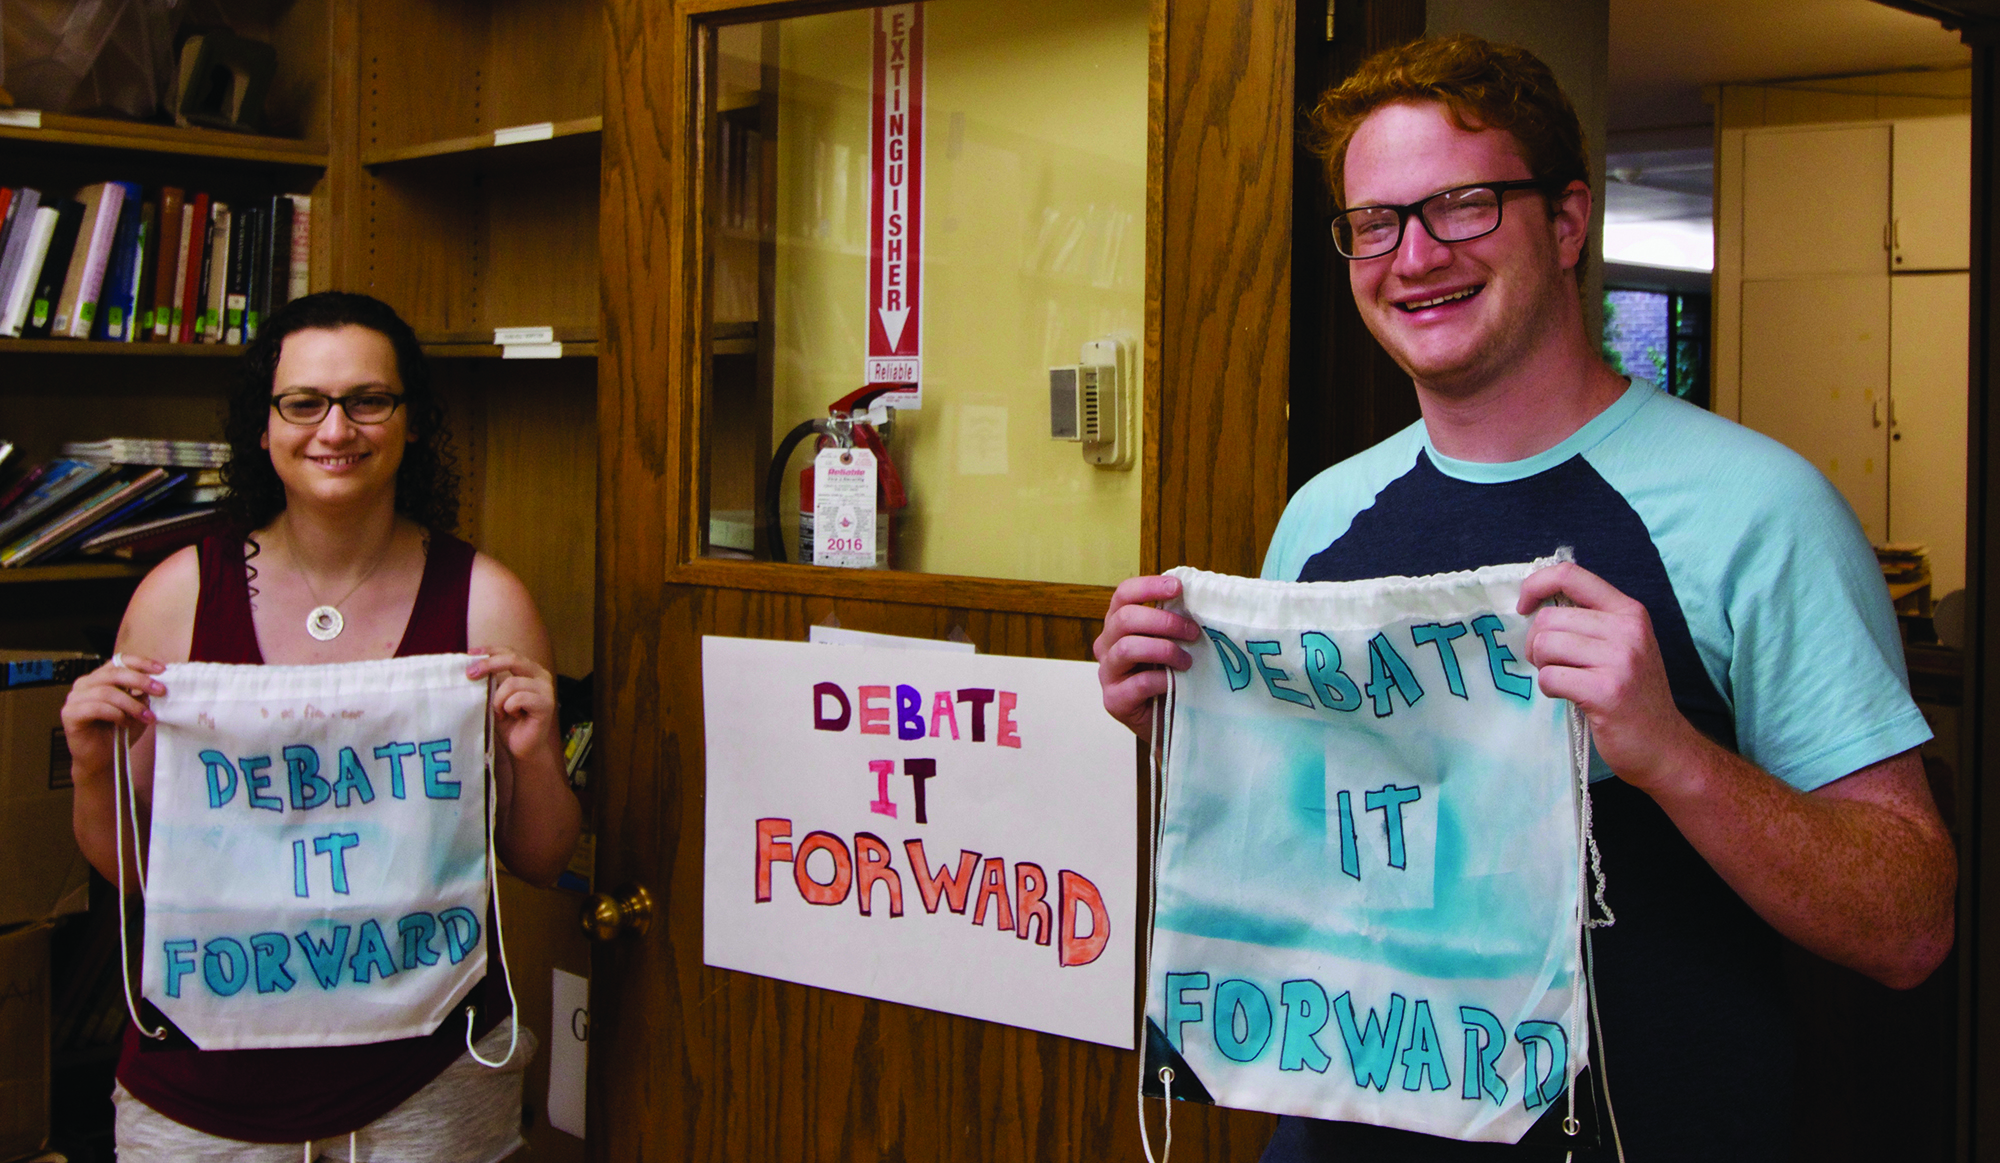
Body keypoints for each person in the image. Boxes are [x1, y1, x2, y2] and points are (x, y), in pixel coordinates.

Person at [1096, 35, 1955, 1161]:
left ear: (1564, 223)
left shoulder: (1755, 506)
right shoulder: (1320, 518)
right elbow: (1305, 860)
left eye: (1460, 205)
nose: (1412, 254)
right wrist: (1189, 725)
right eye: (1374, 221)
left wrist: (1671, 754)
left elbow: (1906, 922)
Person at [61, 291, 584, 1161]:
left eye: (368, 400)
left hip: (427, 1090)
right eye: (303, 403)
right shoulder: (179, 597)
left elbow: (540, 858)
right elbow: (139, 873)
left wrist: (534, 756)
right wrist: (89, 769)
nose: (335, 428)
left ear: (411, 422)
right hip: (200, 1094)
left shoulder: (486, 600)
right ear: (262, 428)